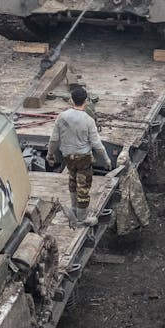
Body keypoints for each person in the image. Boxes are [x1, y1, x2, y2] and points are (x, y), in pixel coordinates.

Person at [47, 85, 112, 227]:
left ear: (71, 100)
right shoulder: (88, 120)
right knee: (83, 186)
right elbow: (96, 144)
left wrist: (50, 154)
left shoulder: (62, 117)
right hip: (83, 158)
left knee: (72, 180)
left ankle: (74, 210)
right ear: (86, 101)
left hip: (68, 156)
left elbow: (54, 139)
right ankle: (81, 219)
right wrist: (106, 160)